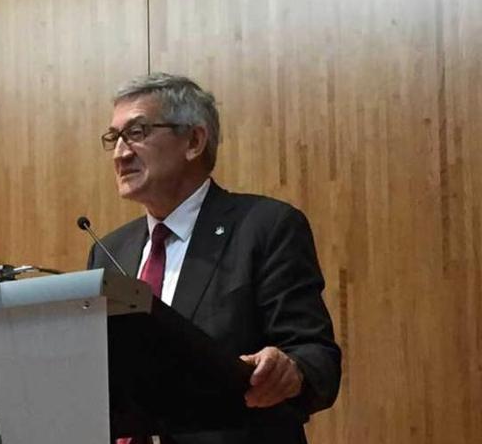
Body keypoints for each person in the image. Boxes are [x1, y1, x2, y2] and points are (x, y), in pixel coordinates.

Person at [87, 73, 341, 444]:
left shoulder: (265, 227)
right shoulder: (108, 251)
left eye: (137, 133)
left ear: (193, 140)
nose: (120, 153)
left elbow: (318, 357)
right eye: (114, 138)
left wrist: (290, 370)